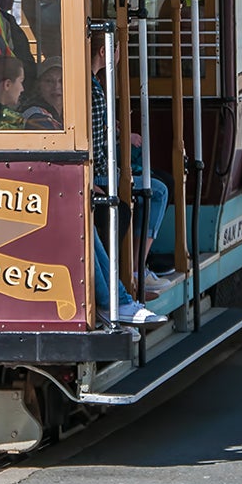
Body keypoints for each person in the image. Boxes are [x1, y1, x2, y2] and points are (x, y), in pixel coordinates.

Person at [91, 36, 172, 297]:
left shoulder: (95, 85)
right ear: (104, 51)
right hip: (102, 176)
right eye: (116, 49)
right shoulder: (93, 90)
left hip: (104, 171)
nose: (118, 55)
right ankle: (137, 269)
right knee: (157, 190)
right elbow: (94, 142)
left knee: (157, 182)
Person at [21, 56, 63, 130]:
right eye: (49, 81)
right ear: (38, 85)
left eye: (61, 81)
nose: (56, 86)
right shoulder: (35, 115)